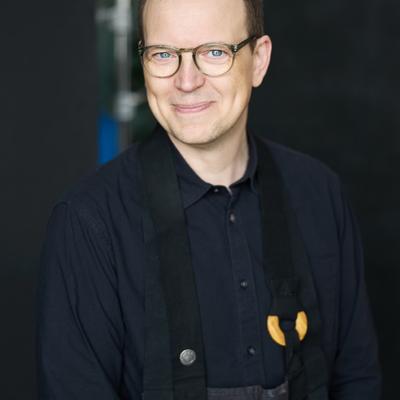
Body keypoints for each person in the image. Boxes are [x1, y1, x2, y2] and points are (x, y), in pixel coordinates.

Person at [37, 0, 381, 399]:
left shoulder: (320, 195)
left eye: (214, 52)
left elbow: (358, 381)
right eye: (163, 54)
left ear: (258, 61)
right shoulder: (87, 225)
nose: (186, 81)